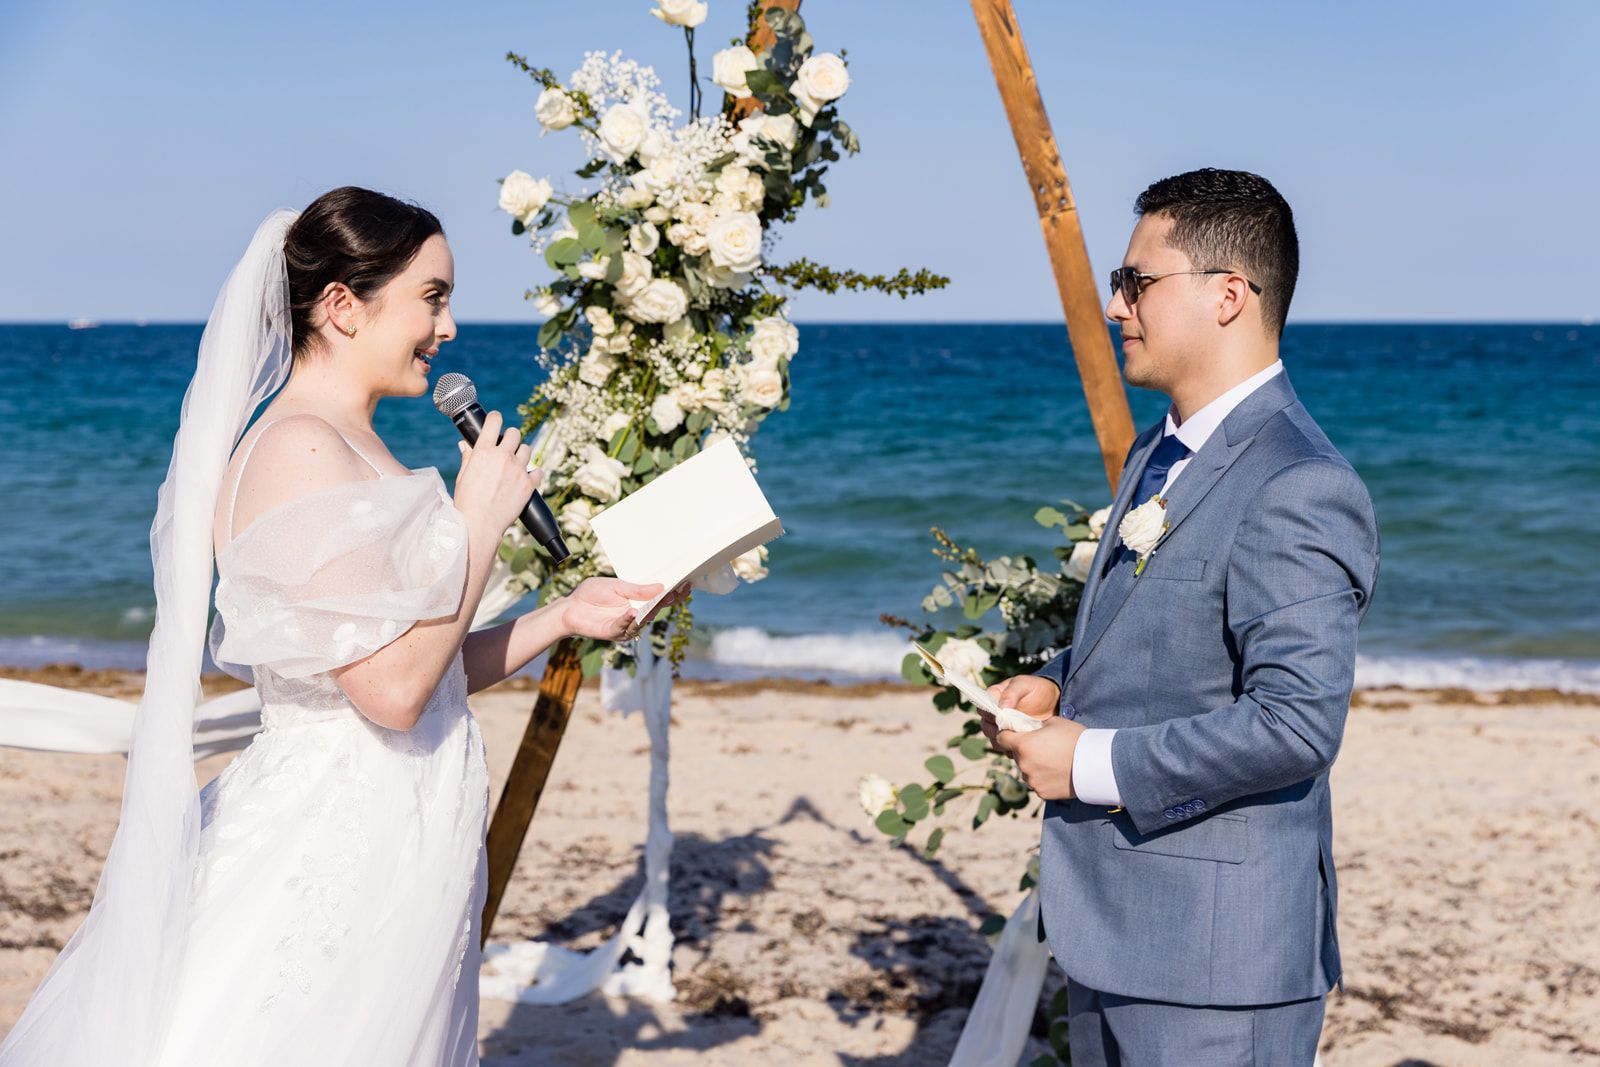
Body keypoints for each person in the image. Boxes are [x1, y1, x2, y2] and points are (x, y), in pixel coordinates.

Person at [0, 187, 680, 1066]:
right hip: (337, 836)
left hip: (403, 830)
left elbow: (423, 668)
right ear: (342, 305)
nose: (449, 328)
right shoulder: (299, 449)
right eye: (431, 297)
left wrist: (560, 616)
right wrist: (476, 523)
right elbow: (391, 694)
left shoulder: (359, 444)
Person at [982, 168, 1380, 1064]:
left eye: (1136, 282)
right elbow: (1156, 635)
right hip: (1114, 931)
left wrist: (1085, 758)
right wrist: (1052, 684)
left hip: (1216, 964)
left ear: (1229, 295)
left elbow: (1296, 723)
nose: (1116, 304)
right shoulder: (1156, 452)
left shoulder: (1300, 483)